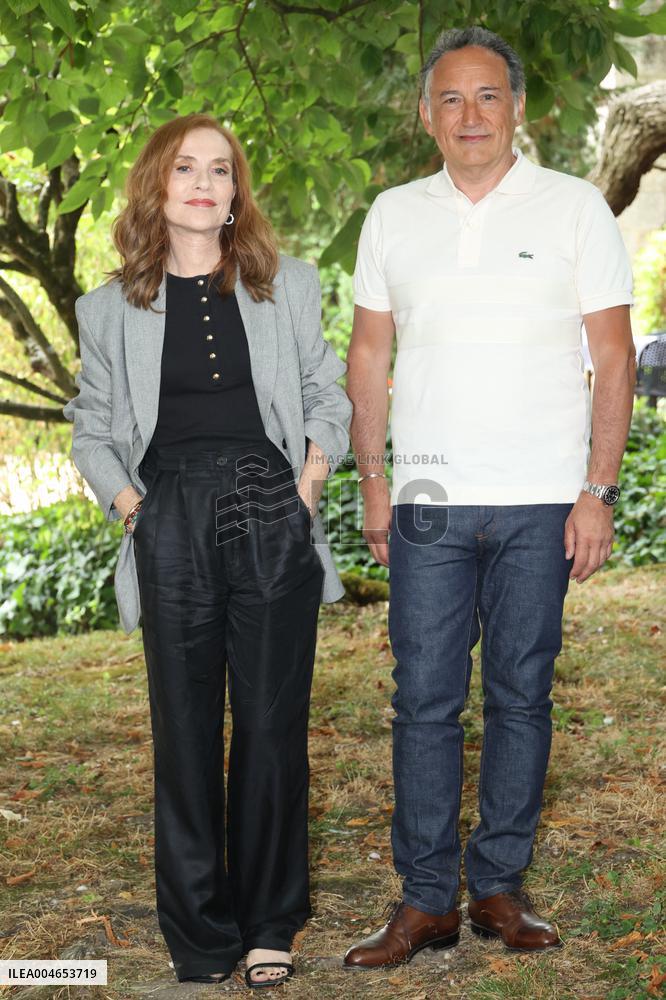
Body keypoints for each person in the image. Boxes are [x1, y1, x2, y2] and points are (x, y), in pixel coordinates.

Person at [344, 27, 635, 968]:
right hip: (427, 494)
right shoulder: (392, 213)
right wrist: (376, 485)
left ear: (518, 109)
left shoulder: (576, 208)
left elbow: (613, 356)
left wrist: (595, 490)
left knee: (522, 693)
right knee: (423, 700)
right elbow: (370, 356)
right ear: (425, 114)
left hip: (541, 501)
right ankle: (426, 898)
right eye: (451, 100)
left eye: (488, 98)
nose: (471, 116)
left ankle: (499, 887)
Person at [62, 113, 352, 987]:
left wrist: (305, 489)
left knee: (270, 725)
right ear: (156, 185)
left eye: (220, 171)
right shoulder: (108, 307)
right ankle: (199, 935)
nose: (203, 182)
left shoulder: (285, 285)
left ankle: (270, 922)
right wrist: (130, 508)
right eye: (185, 167)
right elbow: (90, 430)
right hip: (169, 517)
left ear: (235, 195)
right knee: (183, 733)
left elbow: (324, 394)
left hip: (270, 507)